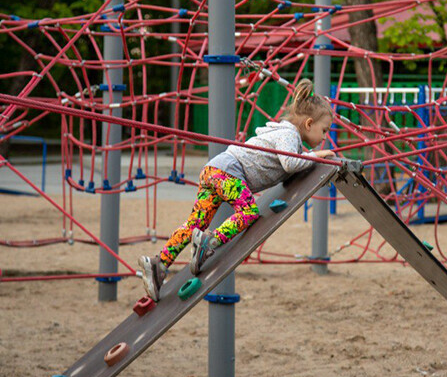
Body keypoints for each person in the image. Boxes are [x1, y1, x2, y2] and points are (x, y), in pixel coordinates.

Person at [139, 78, 336, 301]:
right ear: (309, 124)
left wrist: (309, 160)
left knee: (196, 222)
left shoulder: (289, 139)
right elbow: (291, 163)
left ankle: (159, 264)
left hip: (214, 170)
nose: (325, 137)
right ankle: (209, 242)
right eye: (324, 130)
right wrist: (315, 156)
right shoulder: (288, 135)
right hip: (228, 172)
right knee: (249, 212)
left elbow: (293, 165)